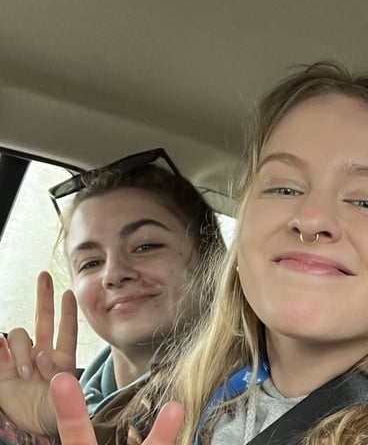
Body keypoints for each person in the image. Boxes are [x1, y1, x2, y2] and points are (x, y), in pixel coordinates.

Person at [47, 62, 368, 445]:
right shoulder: (181, 393)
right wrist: (36, 424)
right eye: (283, 188)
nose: (311, 218)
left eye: (366, 201)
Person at [0, 148, 226, 445]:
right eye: (91, 263)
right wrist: (33, 433)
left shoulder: (245, 407)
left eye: (145, 246)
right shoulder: (77, 403)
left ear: (213, 259)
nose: (114, 274)